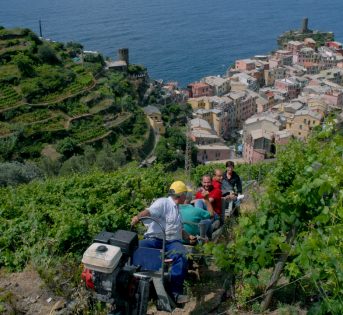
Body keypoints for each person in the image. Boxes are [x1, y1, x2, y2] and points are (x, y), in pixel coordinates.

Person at [131, 180, 190, 304]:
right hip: (154, 239)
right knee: (135, 247)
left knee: (181, 255)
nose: (187, 196)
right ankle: (131, 285)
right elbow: (149, 211)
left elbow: (178, 229)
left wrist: (189, 237)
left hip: (172, 242)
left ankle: (175, 292)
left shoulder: (177, 209)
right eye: (185, 194)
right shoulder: (163, 202)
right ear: (180, 195)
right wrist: (138, 217)